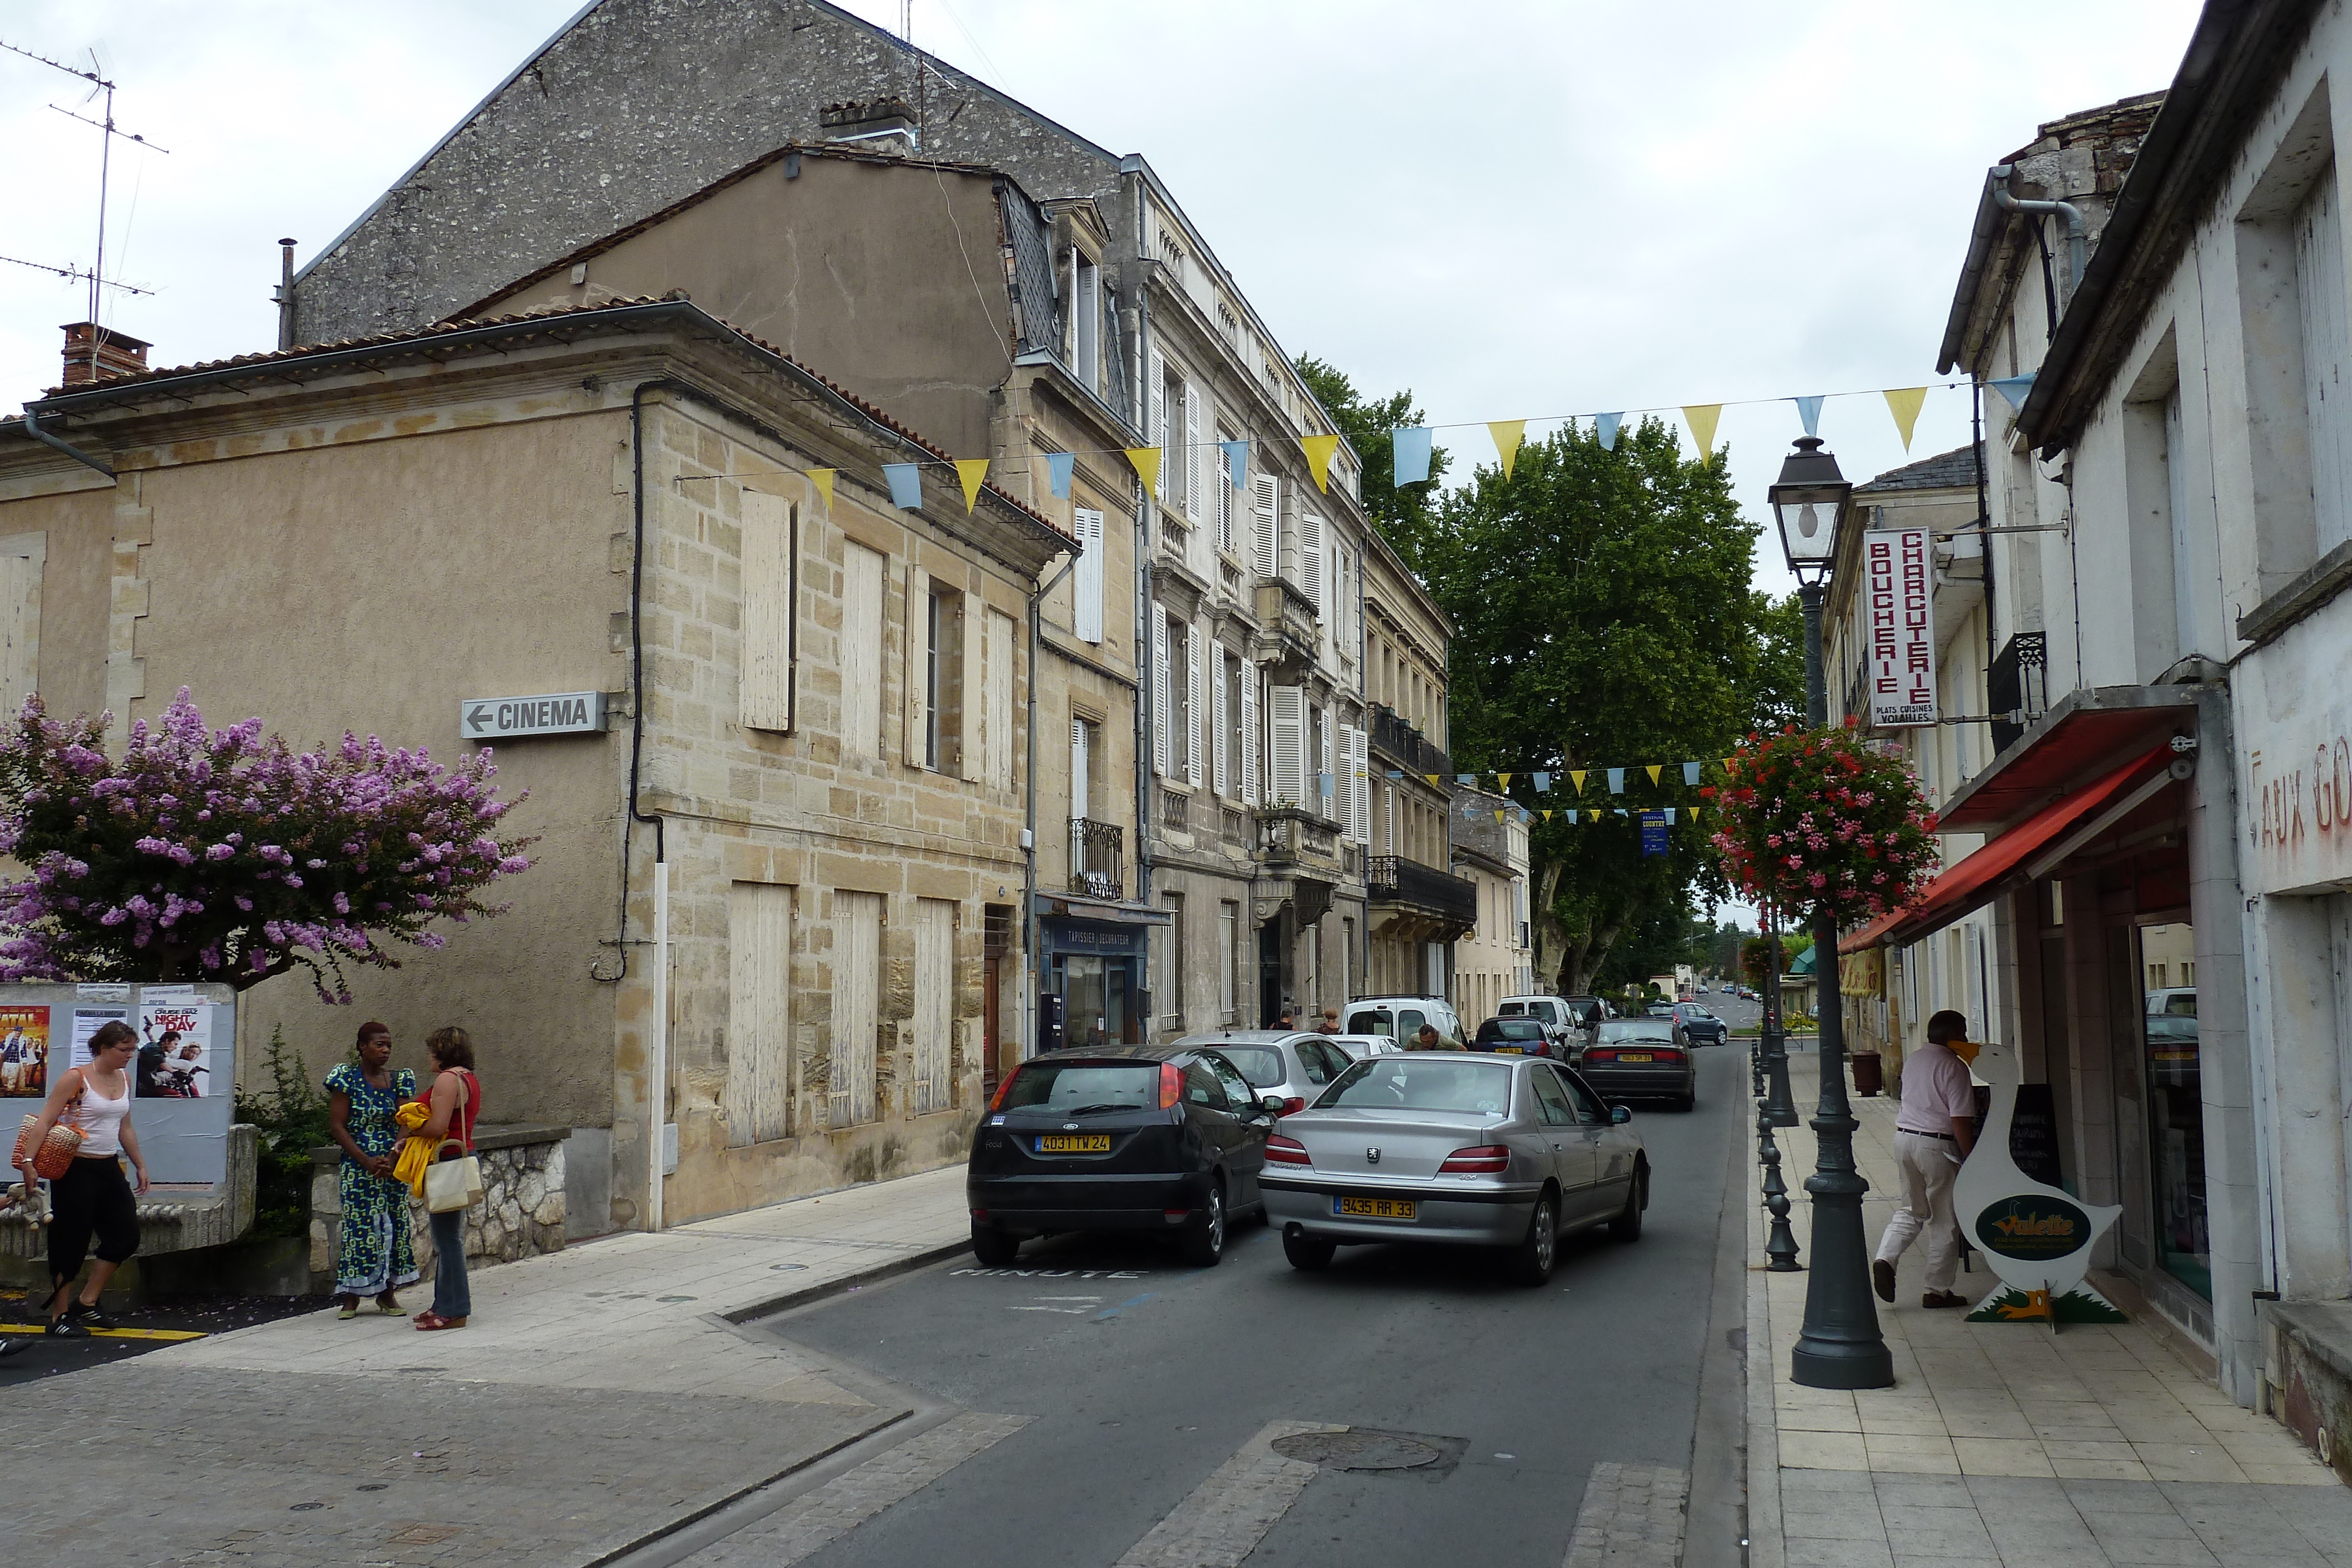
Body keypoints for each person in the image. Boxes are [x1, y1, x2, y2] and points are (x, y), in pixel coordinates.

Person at [13, 1019, 148, 1336]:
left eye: (133, 1049)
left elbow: (124, 1127)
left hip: (108, 1165)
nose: (130, 1055)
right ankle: (58, 1316)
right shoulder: (76, 1078)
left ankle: (87, 1303)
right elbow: (45, 1121)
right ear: (104, 1048)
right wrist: (28, 1162)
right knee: (70, 1240)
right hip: (75, 1167)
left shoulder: (124, 1079)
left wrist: (140, 1164)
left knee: (125, 1236)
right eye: (124, 1049)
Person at [1873, 1009, 1979, 1309]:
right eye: (1963, 1033)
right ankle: (1937, 1291)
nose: (1967, 1039)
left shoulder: (1915, 1059)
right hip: (1937, 1145)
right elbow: (1960, 1120)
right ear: (1953, 1036)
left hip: (1904, 1139)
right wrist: (1971, 1158)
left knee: (1911, 1209)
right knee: (1945, 1219)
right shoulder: (1953, 1067)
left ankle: (1886, 1258)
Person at [326, 1022, 420, 1319]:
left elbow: (406, 1120)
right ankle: (352, 1296)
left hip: (393, 1163)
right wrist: (366, 1160)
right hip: (358, 1165)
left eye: (389, 1045)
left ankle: (387, 1294)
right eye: (379, 1044)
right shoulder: (347, 1079)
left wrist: (394, 1155)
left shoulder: (400, 1079)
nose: (385, 1050)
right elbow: (337, 1125)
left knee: (394, 1225)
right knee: (360, 1228)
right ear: (362, 1047)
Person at [413, 1025, 481, 1332]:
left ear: (442, 1053)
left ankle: (455, 1309)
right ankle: (443, 1303)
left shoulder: (446, 1079)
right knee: (447, 1237)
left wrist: (410, 1131)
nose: (429, 1056)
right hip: (461, 1155)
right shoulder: (468, 1079)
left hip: (447, 1159)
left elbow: (438, 1125)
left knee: (448, 1239)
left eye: (432, 1050)